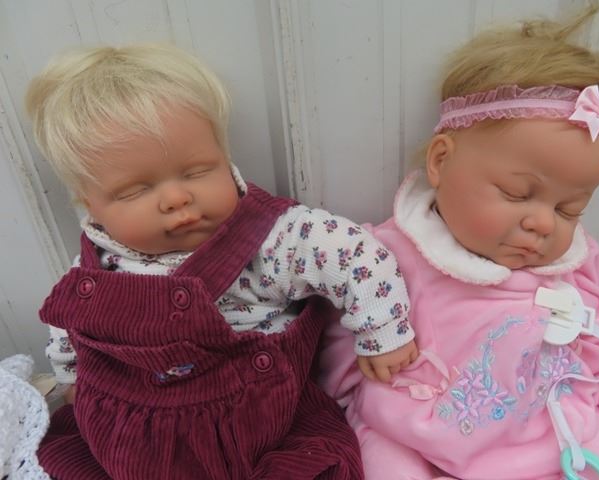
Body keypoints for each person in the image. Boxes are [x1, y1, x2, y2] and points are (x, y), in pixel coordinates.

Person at [25, 43, 418, 479]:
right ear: (90, 206)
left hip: (264, 431)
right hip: (133, 442)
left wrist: (383, 331)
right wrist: (73, 378)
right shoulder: (94, 269)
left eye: (197, 171)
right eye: (135, 190)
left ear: (224, 158)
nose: (176, 198)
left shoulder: (272, 239)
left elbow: (357, 254)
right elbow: (70, 325)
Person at [320, 4, 599, 479]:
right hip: (413, 430)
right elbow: (342, 339)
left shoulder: (570, 264)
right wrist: (350, 381)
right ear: (441, 161)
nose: (543, 224)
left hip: (547, 427)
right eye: (517, 193)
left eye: (568, 209)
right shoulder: (390, 255)